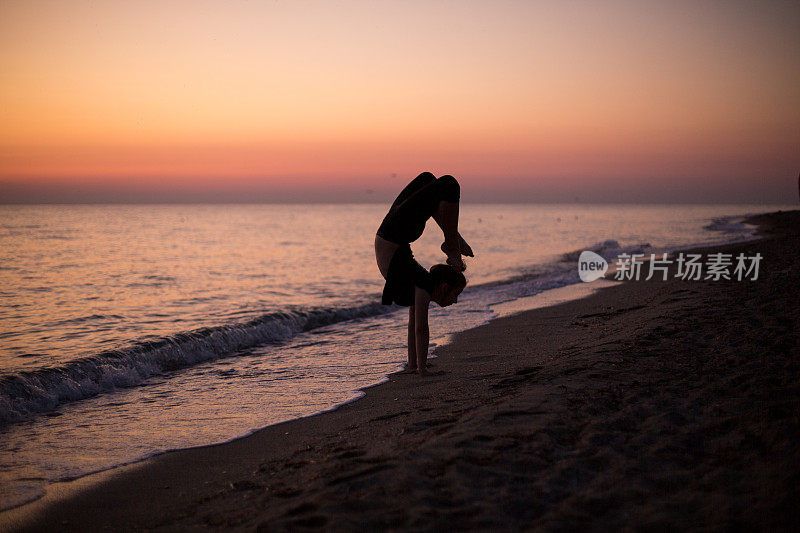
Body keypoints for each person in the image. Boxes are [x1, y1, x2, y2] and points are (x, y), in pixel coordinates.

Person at [375, 172, 474, 375]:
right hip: (395, 233)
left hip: (393, 234)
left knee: (433, 182)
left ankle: (452, 238)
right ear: (444, 287)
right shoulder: (424, 286)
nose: (454, 301)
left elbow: (413, 326)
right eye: (455, 295)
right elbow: (421, 328)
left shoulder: (418, 284)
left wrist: (415, 366)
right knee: (446, 183)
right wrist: (422, 370)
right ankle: (452, 244)